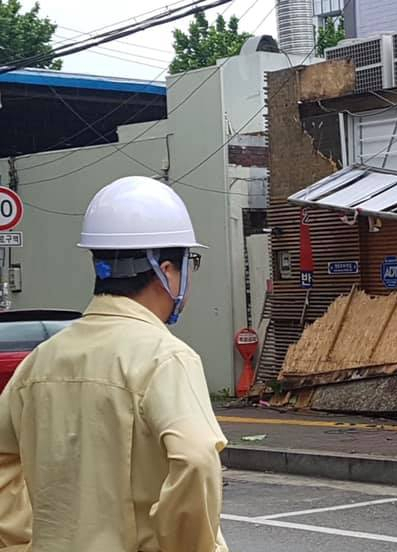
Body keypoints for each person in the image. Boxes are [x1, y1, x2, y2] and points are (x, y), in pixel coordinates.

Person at [0, 176, 229, 551]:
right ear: (166, 270)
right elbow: (196, 458)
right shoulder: (165, 358)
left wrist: (19, 540)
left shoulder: (39, 362)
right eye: (191, 263)